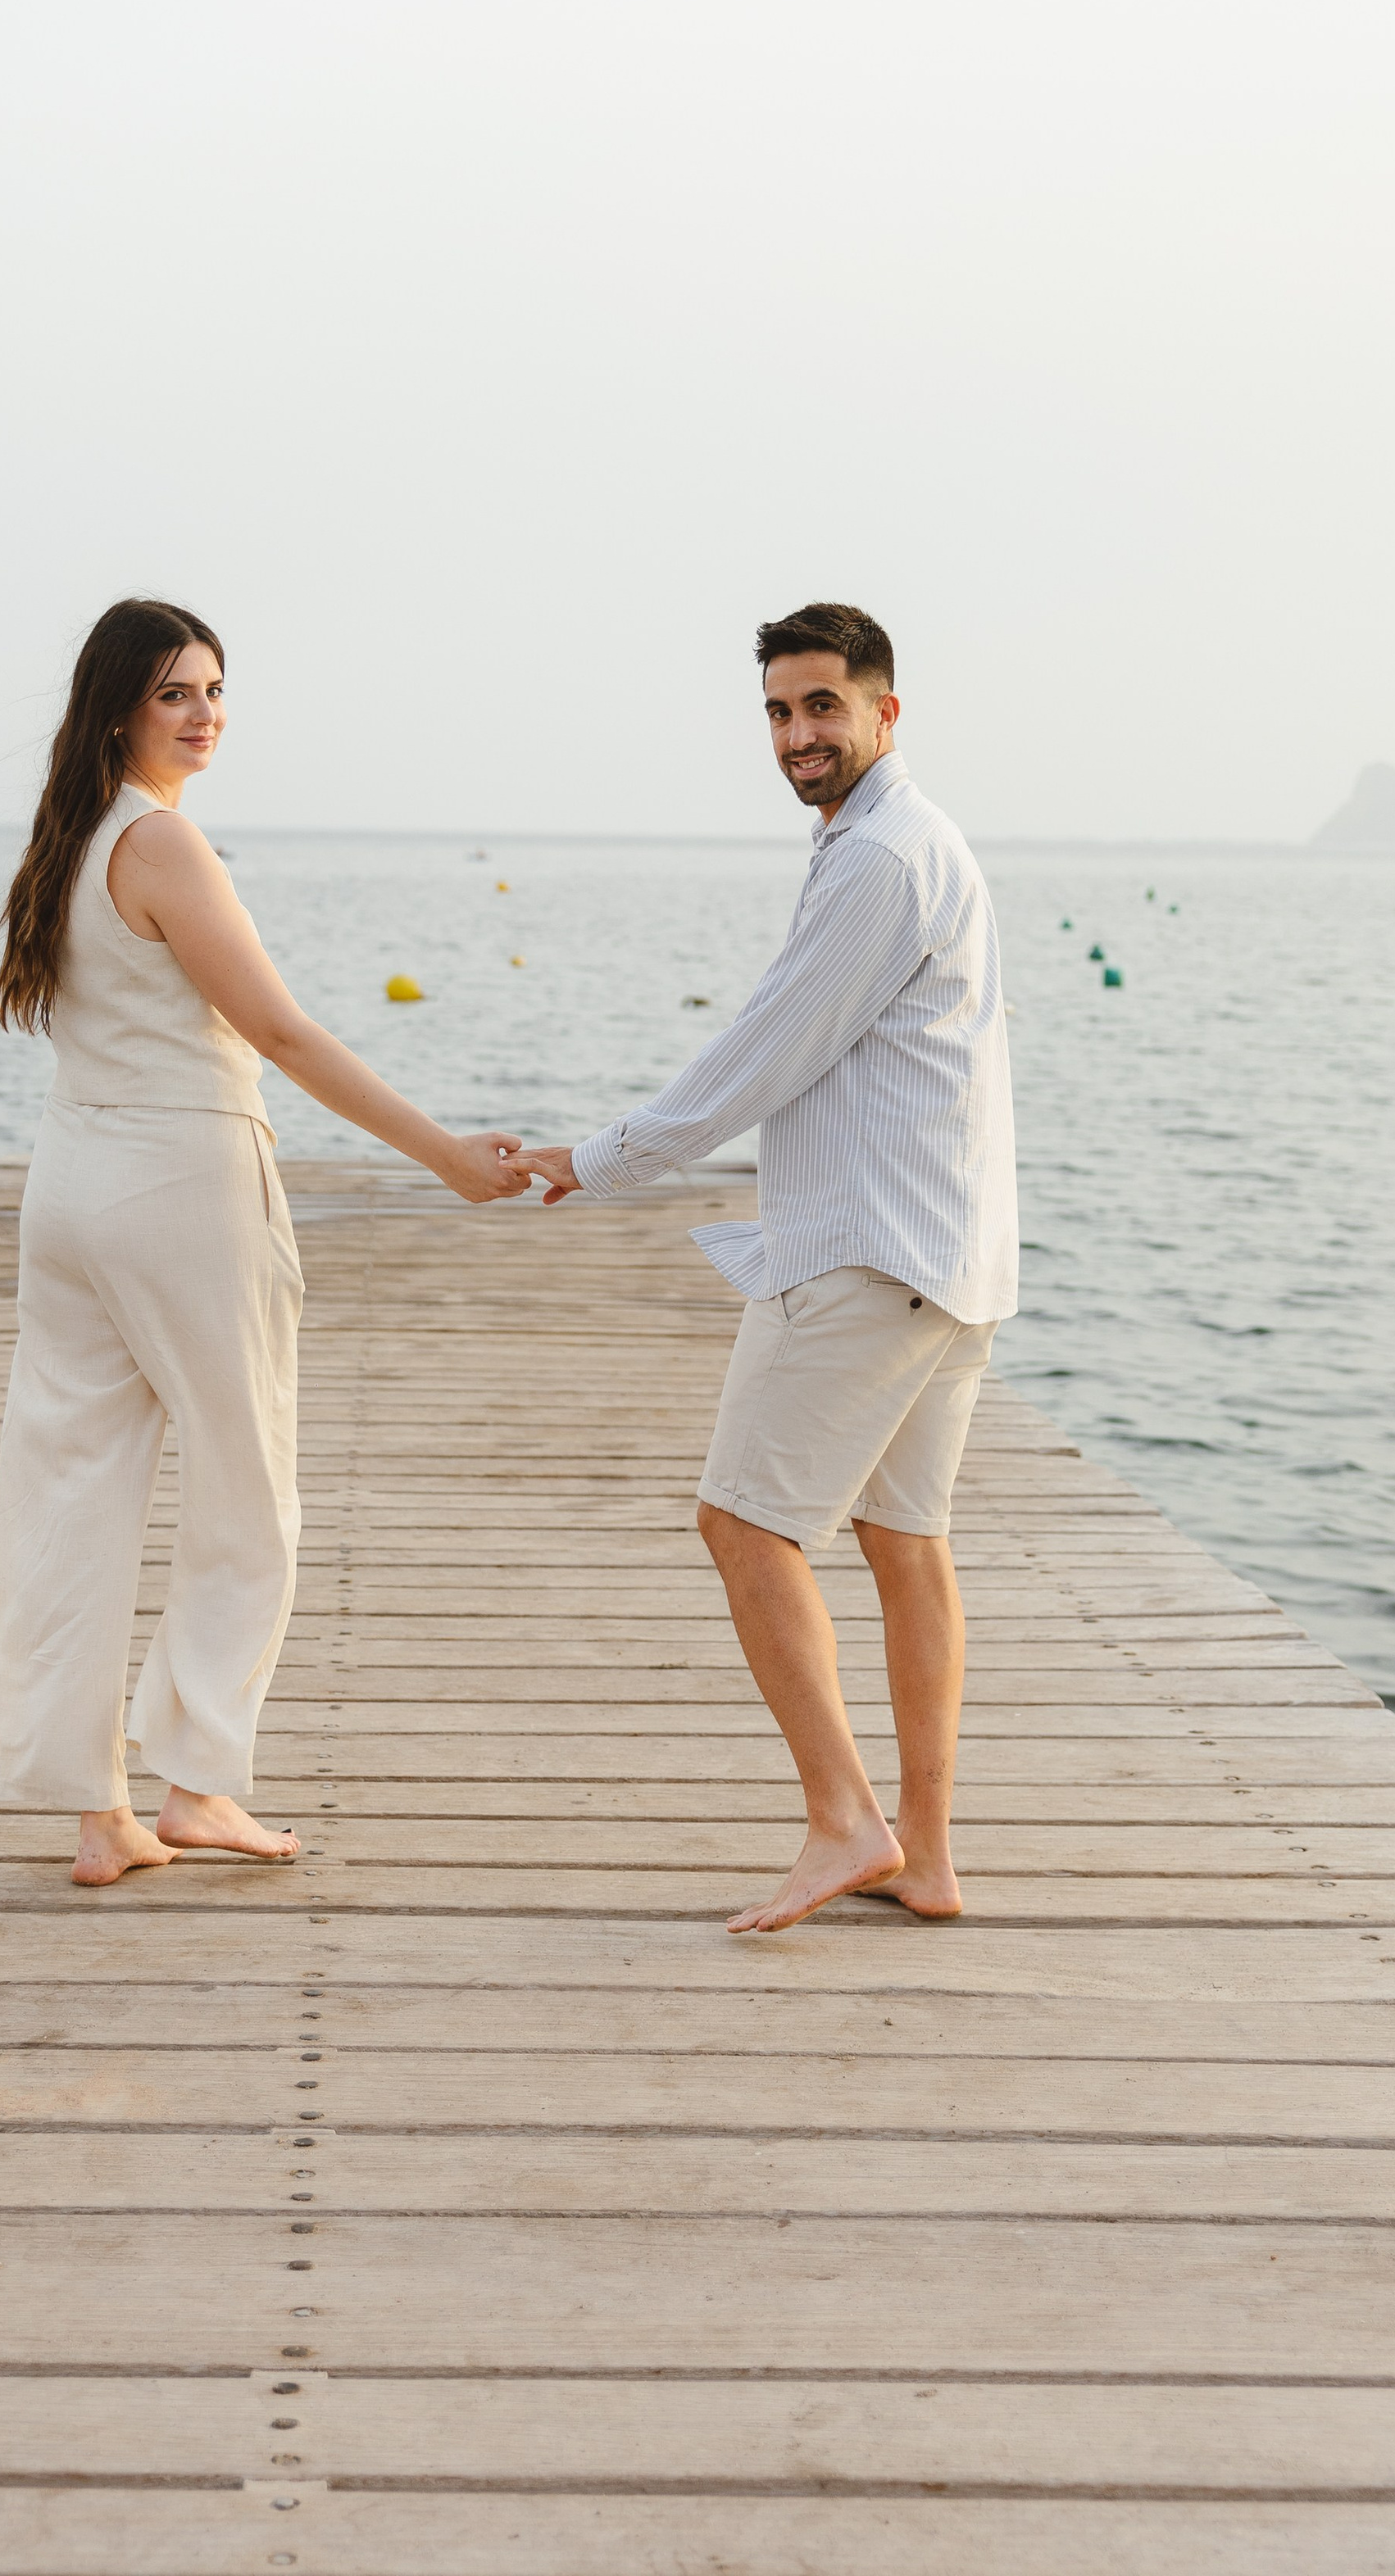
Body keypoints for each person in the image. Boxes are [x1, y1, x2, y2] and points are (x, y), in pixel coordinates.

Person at [0, 596, 529, 1886]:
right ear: (119, 703)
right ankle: (198, 1786)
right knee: (250, 1491)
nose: (206, 714)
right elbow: (283, 1035)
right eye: (178, 692)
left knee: (73, 1493)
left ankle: (94, 1814)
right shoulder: (165, 846)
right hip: (181, 1184)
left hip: (70, 1185)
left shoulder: (68, 839)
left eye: (217, 691)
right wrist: (446, 1155)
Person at [511, 602, 1016, 1934]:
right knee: (907, 1543)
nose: (798, 735)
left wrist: (596, 1157)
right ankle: (929, 1855)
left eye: (823, 708)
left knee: (744, 1523)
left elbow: (760, 1053)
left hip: (867, 1251)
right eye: (781, 713)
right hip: (946, 1253)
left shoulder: (882, 862)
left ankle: (847, 1822)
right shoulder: (891, 842)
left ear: (884, 713)